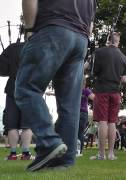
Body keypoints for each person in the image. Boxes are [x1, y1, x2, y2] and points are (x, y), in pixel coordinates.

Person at [15, 0, 96, 171]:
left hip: (53, 27)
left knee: (26, 88)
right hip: (81, 39)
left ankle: (49, 142)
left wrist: (29, 30)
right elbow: (91, 26)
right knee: (70, 105)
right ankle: (64, 161)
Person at [91, 32, 126, 160]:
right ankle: (111, 154)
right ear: (118, 41)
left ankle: (101, 154)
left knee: (102, 121)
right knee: (112, 122)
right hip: (115, 92)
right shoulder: (124, 58)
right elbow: (124, 79)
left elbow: (90, 69)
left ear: (108, 40)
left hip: (102, 90)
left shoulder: (99, 52)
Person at [0, 42, 33, 160]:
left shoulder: (12, 47)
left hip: (12, 88)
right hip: (30, 88)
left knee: (12, 125)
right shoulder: (37, 46)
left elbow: (2, 69)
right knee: (27, 125)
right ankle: (26, 154)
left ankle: (13, 154)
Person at [78, 78, 95, 156]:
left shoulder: (80, 90)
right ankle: (79, 151)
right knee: (80, 133)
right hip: (81, 113)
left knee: (77, 132)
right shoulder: (85, 91)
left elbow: (94, 98)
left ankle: (77, 150)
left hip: (79, 113)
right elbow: (94, 98)